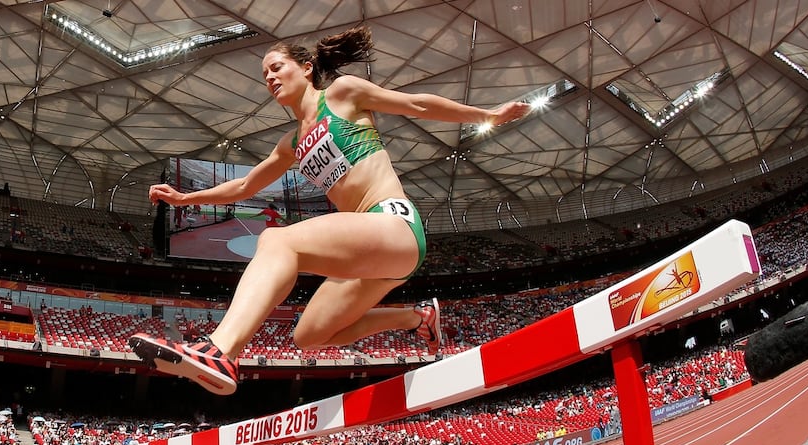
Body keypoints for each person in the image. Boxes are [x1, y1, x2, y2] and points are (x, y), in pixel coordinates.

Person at [130, 25, 530, 395]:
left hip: (392, 223)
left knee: (275, 240)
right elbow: (246, 185)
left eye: (276, 67)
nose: (269, 78)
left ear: (305, 68)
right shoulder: (290, 143)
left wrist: (487, 115)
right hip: (367, 255)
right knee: (310, 335)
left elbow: (416, 104)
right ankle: (417, 317)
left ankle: (220, 351)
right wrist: (184, 200)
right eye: (264, 75)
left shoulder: (341, 94)